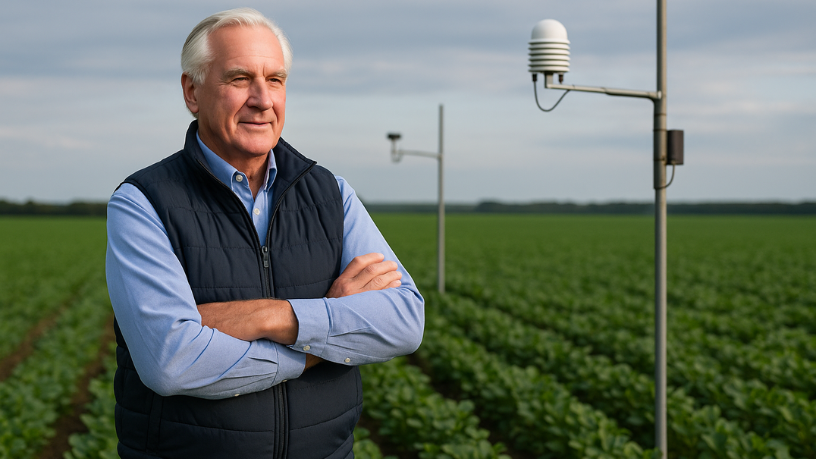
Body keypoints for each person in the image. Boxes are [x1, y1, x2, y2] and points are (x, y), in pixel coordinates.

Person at [105, 8, 424, 459]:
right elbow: (171, 362)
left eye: (275, 79)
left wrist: (271, 317)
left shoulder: (331, 193)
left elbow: (405, 321)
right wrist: (321, 341)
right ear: (191, 91)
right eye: (239, 79)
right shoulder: (143, 202)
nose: (262, 98)